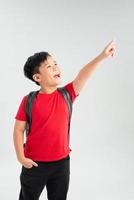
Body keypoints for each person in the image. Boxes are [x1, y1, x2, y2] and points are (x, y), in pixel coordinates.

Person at [13, 40, 116, 200]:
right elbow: (18, 130)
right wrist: (21, 157)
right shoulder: (29, 100)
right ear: (37, 77)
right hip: (34, 164)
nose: (55, 67)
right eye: (49, 66)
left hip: (61, 164)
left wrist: (102, 56)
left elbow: (82, 75)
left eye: (55, 63)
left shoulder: (67, 94)